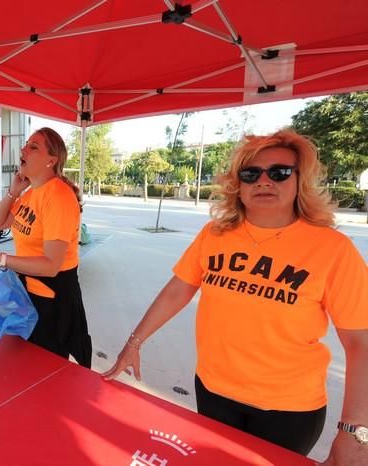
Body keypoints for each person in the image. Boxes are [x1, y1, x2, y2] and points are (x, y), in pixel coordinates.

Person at [103, 129, 368, 465]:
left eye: (280, 172)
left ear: (300, 181)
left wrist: (354, 432)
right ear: (238, 185)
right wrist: (134, 342)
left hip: (288, 410)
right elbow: (178, 289)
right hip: (214, 393)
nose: (264, 181)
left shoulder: (333, 249)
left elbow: (361, 344)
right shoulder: (214, 235)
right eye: (251, 174)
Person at [0, 128, 92, 368]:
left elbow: (51, 266)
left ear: (52, 160)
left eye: (34, 146)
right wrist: (13, 191)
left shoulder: (58, 196)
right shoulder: (31, 193)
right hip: (28, 293)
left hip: (52, 299)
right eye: (26, 144)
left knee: (47, 367)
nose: (23, 149)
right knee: (27, 362)